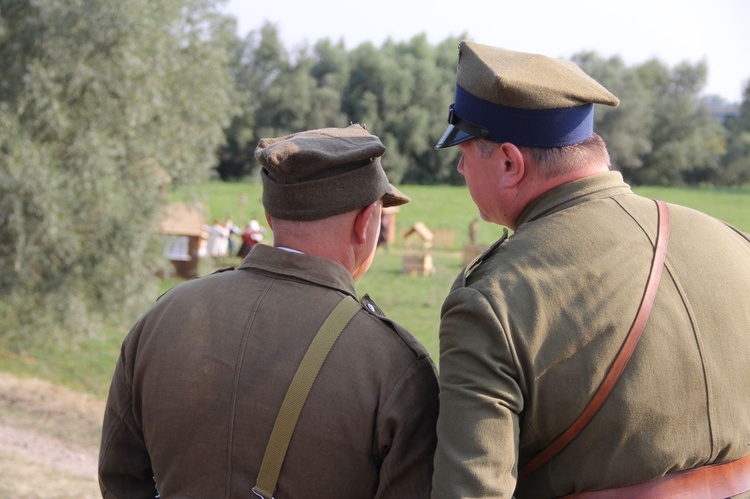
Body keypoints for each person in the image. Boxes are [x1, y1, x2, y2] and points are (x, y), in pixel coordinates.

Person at [431, 41, 750, 498]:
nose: (460, 167)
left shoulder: (493, 302)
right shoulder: (736, 242)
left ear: (508, 162)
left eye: (464, 151)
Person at [99, 124, 440, 497]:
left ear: (269, 215)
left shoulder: (163, 318)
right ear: (365, 223)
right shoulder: (394, 366)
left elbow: (119, 479)